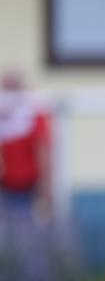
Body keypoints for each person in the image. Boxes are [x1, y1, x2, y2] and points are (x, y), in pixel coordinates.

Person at [0, 70, 52, 224]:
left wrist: (45, 186)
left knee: (25, 227)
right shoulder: (3, 118)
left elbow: (43, 152)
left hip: (29, 186)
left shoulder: (33, 115)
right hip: (6, 185)